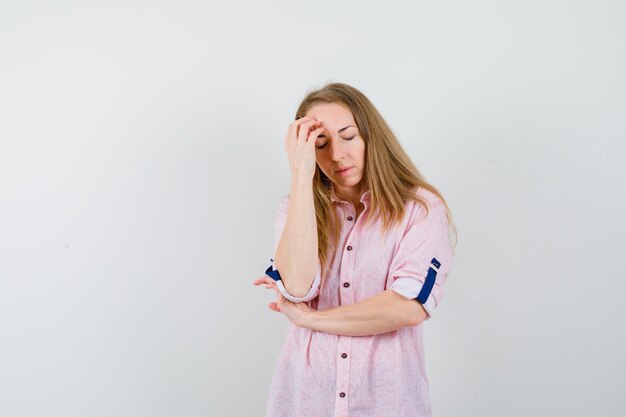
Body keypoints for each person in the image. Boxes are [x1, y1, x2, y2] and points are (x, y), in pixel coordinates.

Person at [253, 82, 457, 417]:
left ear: (370, 135)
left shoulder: (419, 210)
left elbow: (407, 307)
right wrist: (300, 177)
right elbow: (297, 286)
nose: (336, 155)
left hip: (386, 403)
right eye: (320, 145)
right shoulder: (292, 211)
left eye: (348, 136)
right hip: (305, 401)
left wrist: (309, 318)